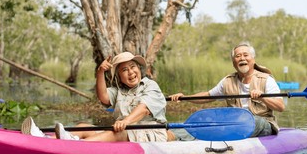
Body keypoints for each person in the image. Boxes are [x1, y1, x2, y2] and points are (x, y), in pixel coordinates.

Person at [22, 51, 168, 142]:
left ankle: (73, 146)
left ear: (139, 69)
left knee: (119, 132)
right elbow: (104, 97)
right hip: (123, 130)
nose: (130, 72)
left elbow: (143, 109)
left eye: (133, 67)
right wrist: (100, 72)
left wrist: (126, 122)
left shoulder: (150, 86)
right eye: (125, 69)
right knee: (82, 127)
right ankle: (44, 139)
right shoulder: (119, 91)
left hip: (149, 133)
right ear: (119, 77)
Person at [169, 42, 285, 137]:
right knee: (211, 121)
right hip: (234, 124)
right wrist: (184, 98)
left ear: (253, 59)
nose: (242, 58)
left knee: (254, 121)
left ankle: (225, 138)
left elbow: (280, 106)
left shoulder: (266, 79)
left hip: (262, 123)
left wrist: (263, 98)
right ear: (233, 62)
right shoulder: (227, 81)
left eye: (245, 55)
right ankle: (180, 137)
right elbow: (207, 96)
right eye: (237, 56)